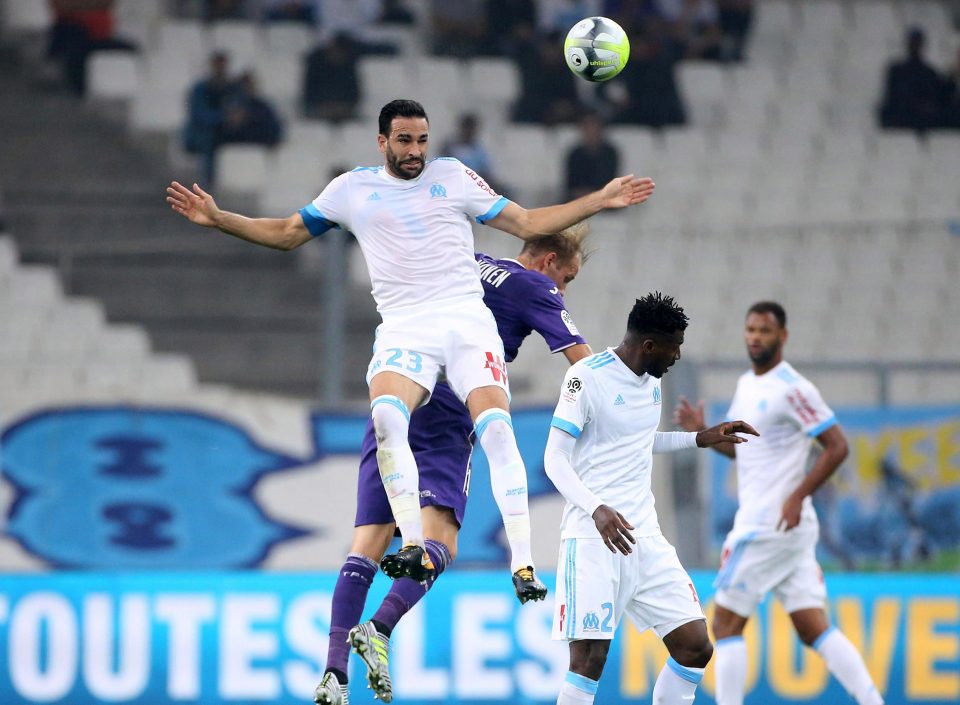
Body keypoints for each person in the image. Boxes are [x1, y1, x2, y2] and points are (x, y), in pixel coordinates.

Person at [166, 98, 655, 607]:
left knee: (497, 430)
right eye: (404, 140)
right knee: (386, 422)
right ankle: (415, 544)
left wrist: (600, 198)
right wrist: (222, 219)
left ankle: (523, 561)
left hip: (466, 323)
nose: (415, 151)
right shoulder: (352, 189)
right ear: (382, 142)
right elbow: (288, 233)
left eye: (422, 140)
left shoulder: (454, 176)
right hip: (407, 328)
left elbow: (529, 222)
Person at [315, 227, 594, 705]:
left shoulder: (472, 260)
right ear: (548, 260)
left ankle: (333, 673)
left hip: (401, 393)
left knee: (366, 545)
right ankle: (378, 629)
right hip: (450, 412)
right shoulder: (535, 286)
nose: (562, 290)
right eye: (566, 278)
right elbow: (582, 363)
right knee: (441, 541)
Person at [544, 292, 758, 705]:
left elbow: (638, 442)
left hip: (645, 539)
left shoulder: (652, 382)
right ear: (649, 346)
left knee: (695, 645)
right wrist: (596, 509)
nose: (677, 355)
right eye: (674, 345)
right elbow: (554, 458)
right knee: (589, 659)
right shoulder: (586, 377)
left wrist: (699, 437)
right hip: (594, 540)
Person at [673, 301, 885, 705]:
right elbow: (745, 453)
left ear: (782, 337)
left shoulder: (794, 388)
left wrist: (798, 495)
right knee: (812, 625)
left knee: (725, 622)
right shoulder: (746, 385)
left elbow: (837, 446)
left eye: (765, 331)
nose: (755, 337)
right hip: (786, 529)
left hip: (768, 524)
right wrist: (704, 432)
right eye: (751, 329)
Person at [878, 27, 949, 132]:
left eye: (917, 43)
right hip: (901, 116)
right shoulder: (896, 70)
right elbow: (893, 96)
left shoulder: (929, 72)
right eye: (913, 42)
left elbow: (940, 96)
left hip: (924, 118)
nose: (915, 46)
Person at [182, 51, 238, 185]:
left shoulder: (233, 88)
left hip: (226, 132)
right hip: (201, 133)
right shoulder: (200, 88)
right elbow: (199, 115)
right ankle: (207, 184)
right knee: (208, 139)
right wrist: (224, 117)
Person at [564, 112, 620, 200]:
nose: (591, 130)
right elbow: (571, 182)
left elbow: (611, 179)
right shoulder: (575, 154)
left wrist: (595, 193)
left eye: (594, 126)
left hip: (604, 197)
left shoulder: (610, 153)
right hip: (578, 198)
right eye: (587, 127)